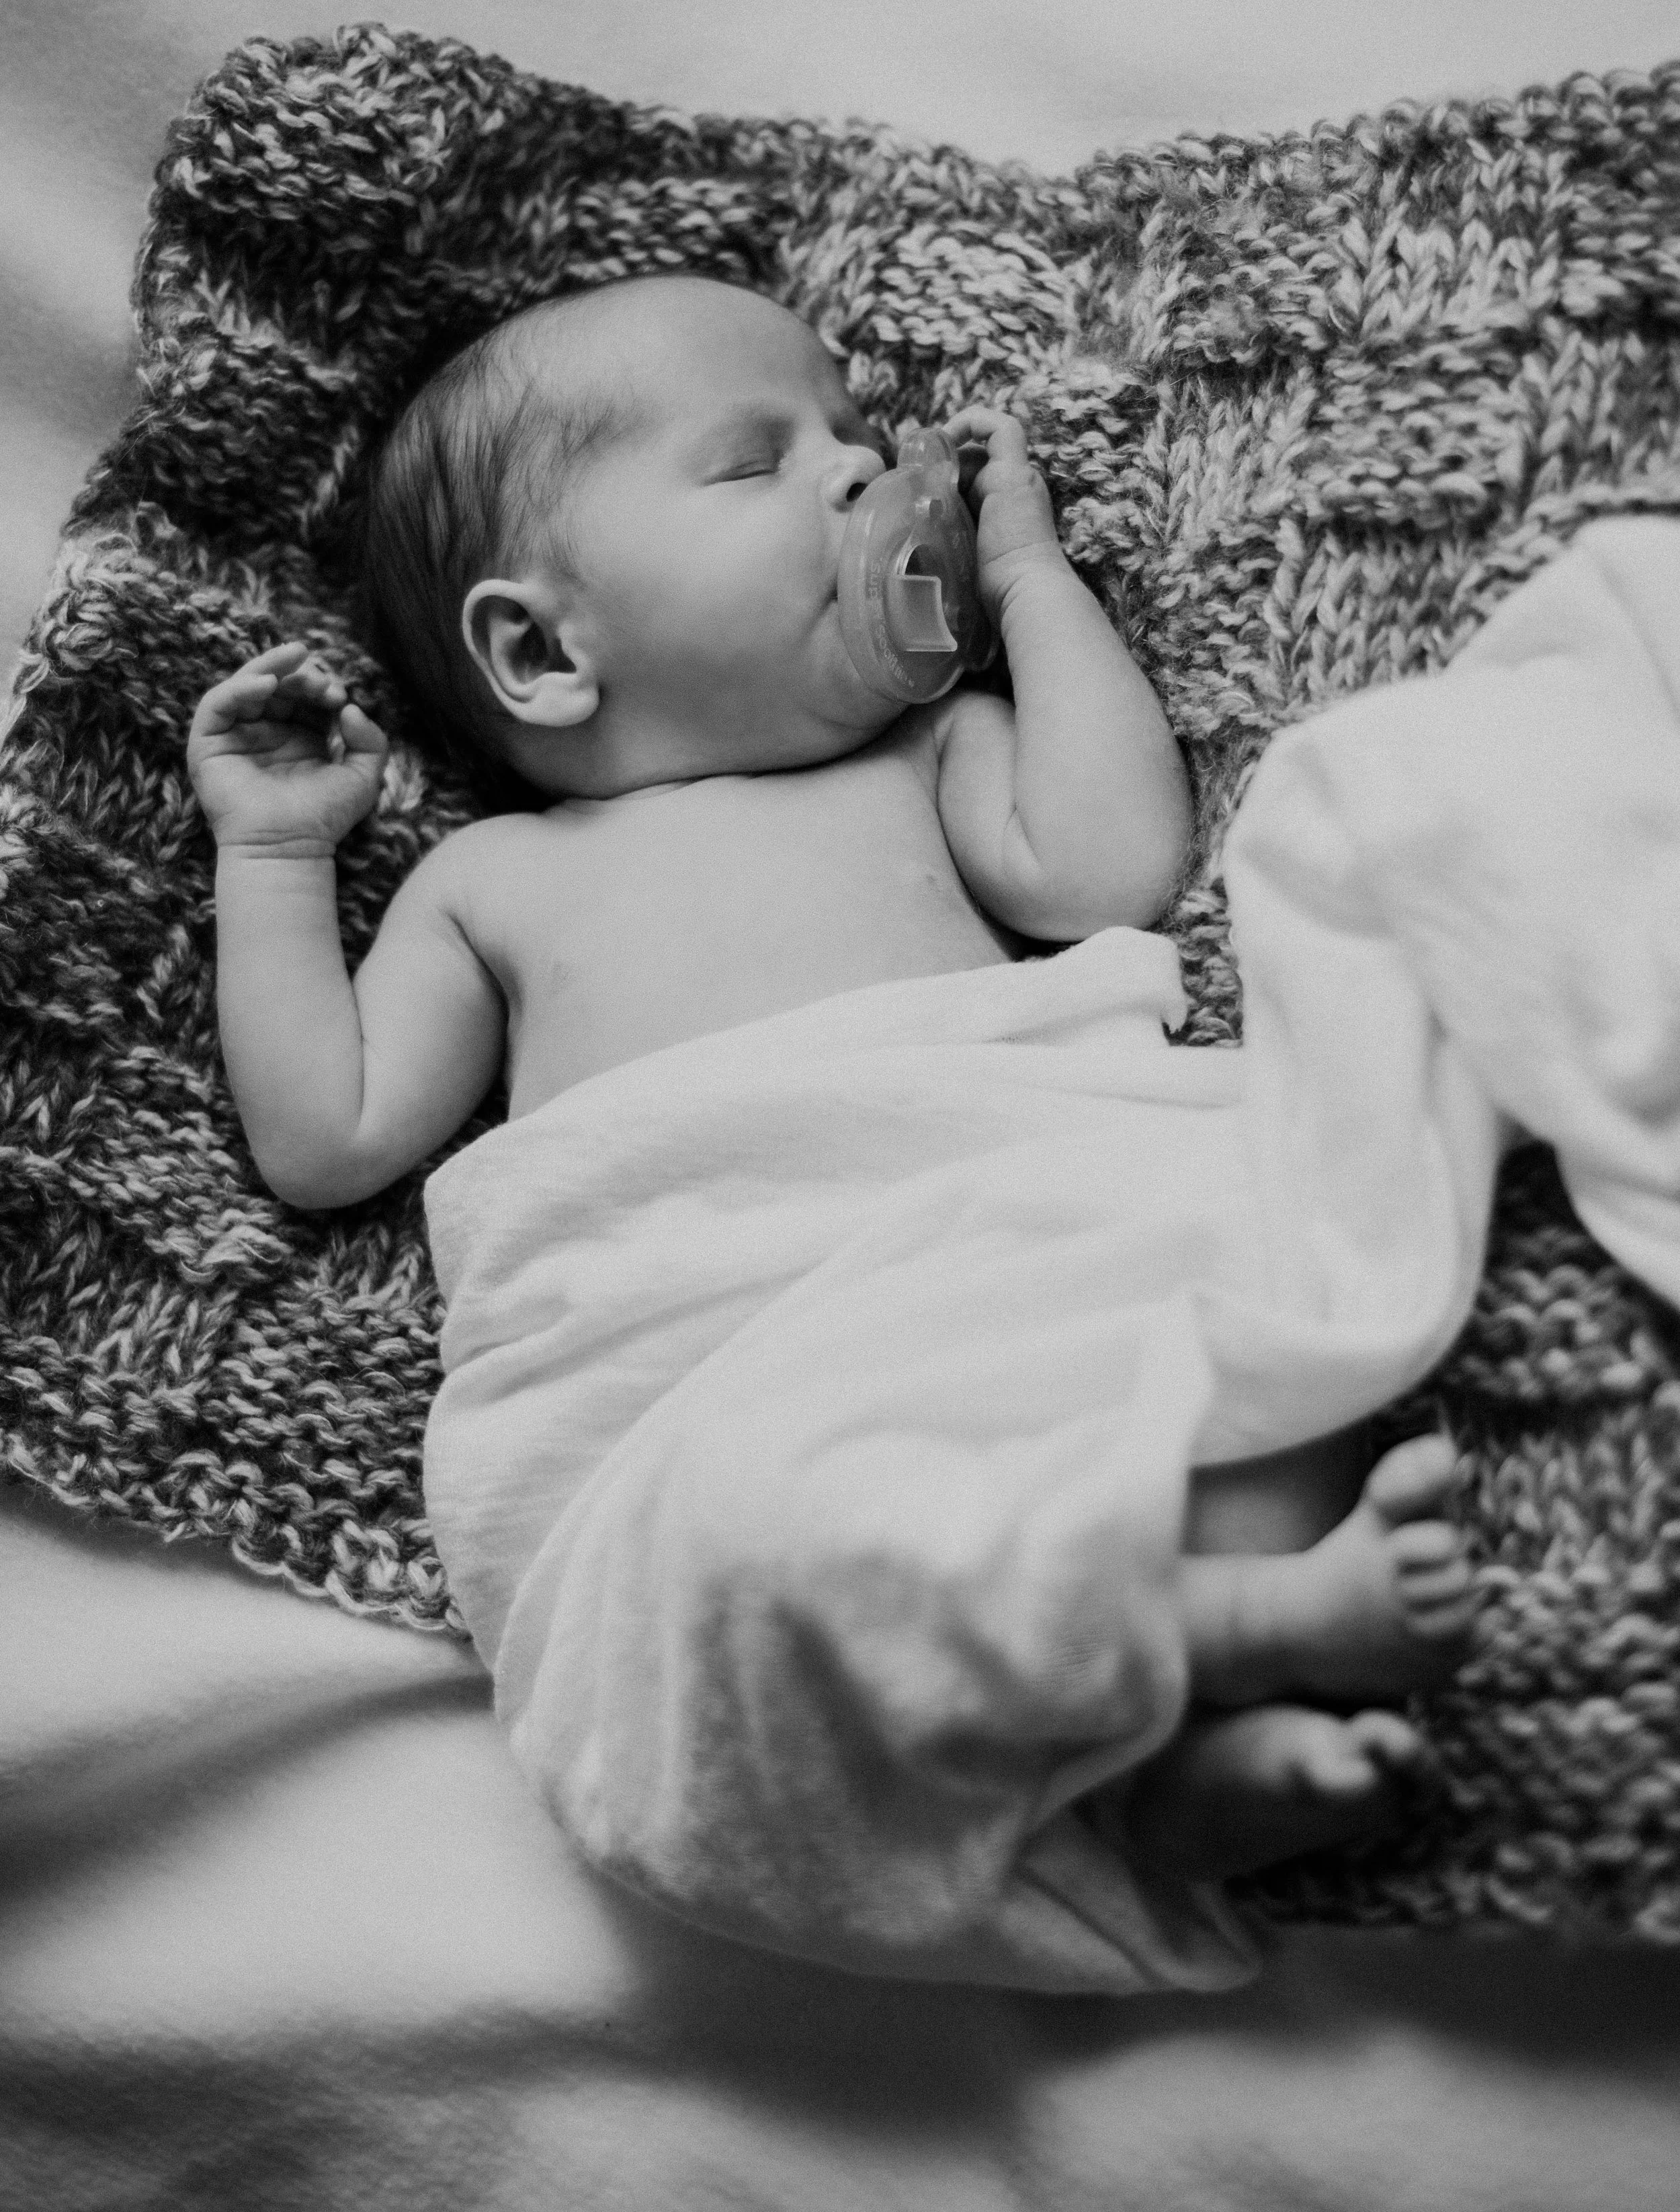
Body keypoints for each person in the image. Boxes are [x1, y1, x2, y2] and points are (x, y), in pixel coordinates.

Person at [186, 273, 1473, 1897]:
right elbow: (324, 1135)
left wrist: (1030, 582)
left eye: (854, 436)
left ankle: (1181, 1742)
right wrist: (279, 850)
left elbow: (1105, 866)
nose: (861, 470)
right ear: (537, 647)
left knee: (1228, 1317)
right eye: (753, 462)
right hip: (721, 1334)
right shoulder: (492, 882)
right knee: (774, 1520)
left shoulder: (925, 756)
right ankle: (1211, 1663)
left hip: (1005, 1221)